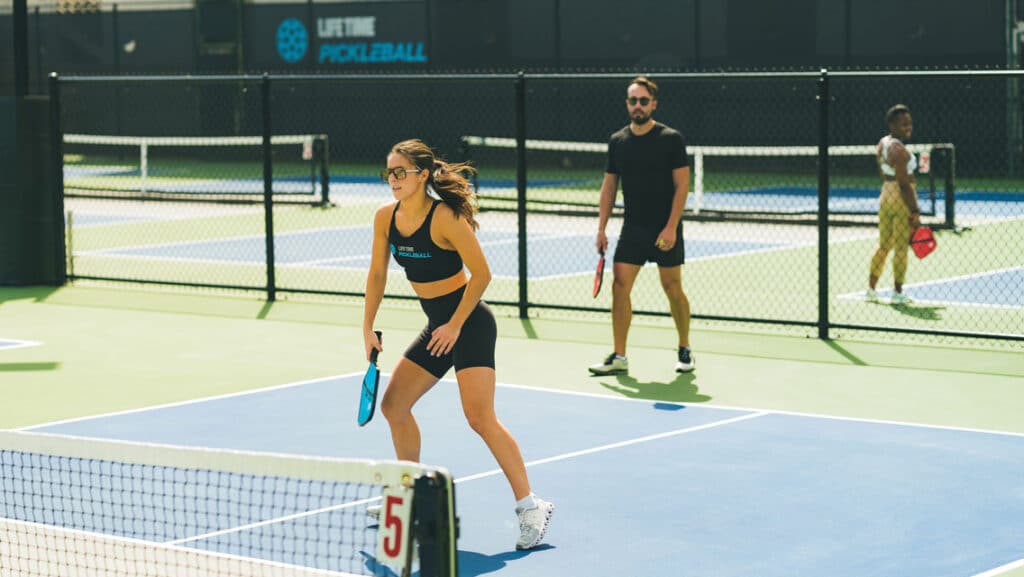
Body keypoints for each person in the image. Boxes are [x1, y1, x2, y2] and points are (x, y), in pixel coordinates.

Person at [362, 139, 553, 550]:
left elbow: (481, 275)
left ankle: (531, 506)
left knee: (479, 418)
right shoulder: (384, 218)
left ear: (423, 175)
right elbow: (377, 273)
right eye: (389, 173)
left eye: (401, 172)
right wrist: (367, 327)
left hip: (469, 324)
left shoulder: (445, 217)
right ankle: (407, 493)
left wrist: (453, 325)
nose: (393, 180)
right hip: (439, 326)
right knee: (394, 406)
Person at [589, 76, 694, 376]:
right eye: (633, 100)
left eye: (643, 101)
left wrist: (672, 226)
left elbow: (682, 186)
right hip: (633, 228)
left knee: (672, 287)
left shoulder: (671, 139)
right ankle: (619, 356)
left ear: (654, 104)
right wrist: (601, 228)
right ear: (627, 104)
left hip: (665, 228)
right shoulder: (618, 141)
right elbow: (609, 188)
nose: (638, 106)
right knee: (619, 285)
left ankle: (685, 348)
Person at [866, 104, 920, 304]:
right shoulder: (899, 150)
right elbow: (905, 184)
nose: (908, 126)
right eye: (903, 123)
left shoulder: (883, 143)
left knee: (883, 245)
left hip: (885, 194)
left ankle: (871, 289)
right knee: (900, 248)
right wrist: (914, 210)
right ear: (892, 125)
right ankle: (897, 293)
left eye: (909, 123)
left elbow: (883, 172)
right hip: (899, 197)